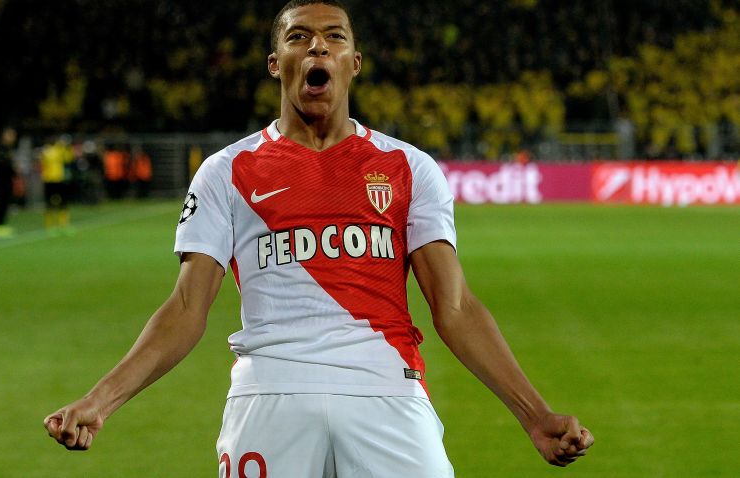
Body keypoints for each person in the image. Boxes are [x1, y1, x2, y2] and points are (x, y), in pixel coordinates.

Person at [43, 1, 594, 475]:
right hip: (270, 393)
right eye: (298, 38)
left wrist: (534, 415)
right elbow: (187, 306)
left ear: (353, 64)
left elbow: (454, 307)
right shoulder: (226, 170)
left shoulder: (409, 168)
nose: (317, 49)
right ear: (275, 64)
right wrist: (101, 400)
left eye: (334, 38)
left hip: (386, 389)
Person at [39, 135, 74, 235]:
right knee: (49, 202)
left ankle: (64, 224)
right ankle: (49, 225)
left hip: (59, 178)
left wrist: (67, 147)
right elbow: (43, 161)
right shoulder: (46, 150)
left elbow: (69, 158)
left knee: (63, 202)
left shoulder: (59, 149)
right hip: (49, 179)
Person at [0, 128, 18, 238]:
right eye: (10, 135)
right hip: (1, 180)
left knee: (6, 201)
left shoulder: (8, 149)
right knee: (1, 202)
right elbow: (0, 166)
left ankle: (3, 225)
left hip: (8, 179)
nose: (13, 138)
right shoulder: (1, 149)